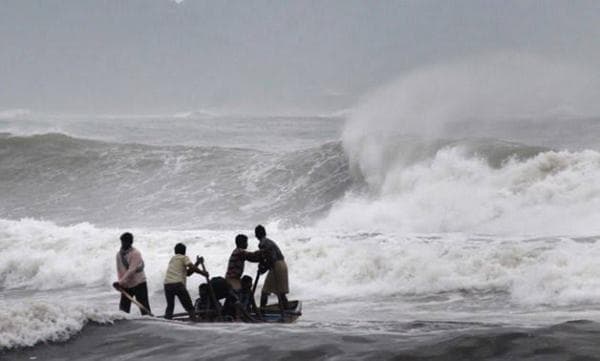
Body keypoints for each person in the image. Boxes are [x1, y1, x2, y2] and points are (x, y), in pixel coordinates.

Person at [163, 243, 207, 320]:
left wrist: (197, 263)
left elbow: (188, 273)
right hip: (178, 284)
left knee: (170, 307)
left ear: (175, 252)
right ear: (184, 252)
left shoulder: (173, 259)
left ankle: (167, 321)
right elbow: (191, 267)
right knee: (189, 307)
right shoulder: (184, 257)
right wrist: (203, 273)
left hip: (167, 284)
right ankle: (194, 322)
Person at [255, 225, 289, 317]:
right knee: (281, 293)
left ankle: (261, 314)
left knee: (265, 291)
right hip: (283, 265)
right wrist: (263, 267)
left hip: (276, 266)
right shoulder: (269, 241)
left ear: (256, 235)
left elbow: (271, 259)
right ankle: (286, 311)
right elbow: (267, 257)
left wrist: (263, 269)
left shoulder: (262, 244)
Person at [114, 232, 151, 315]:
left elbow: (132, 270)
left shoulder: (135, 253)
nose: (123, 244)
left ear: (131, 242)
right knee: (123, 311)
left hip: (139, 284)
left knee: (144, 309)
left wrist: (120, 282)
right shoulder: (118, 254)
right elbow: (119, 270)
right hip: (126, 285)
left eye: (125, 242)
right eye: (122, 242)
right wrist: (121, 284)